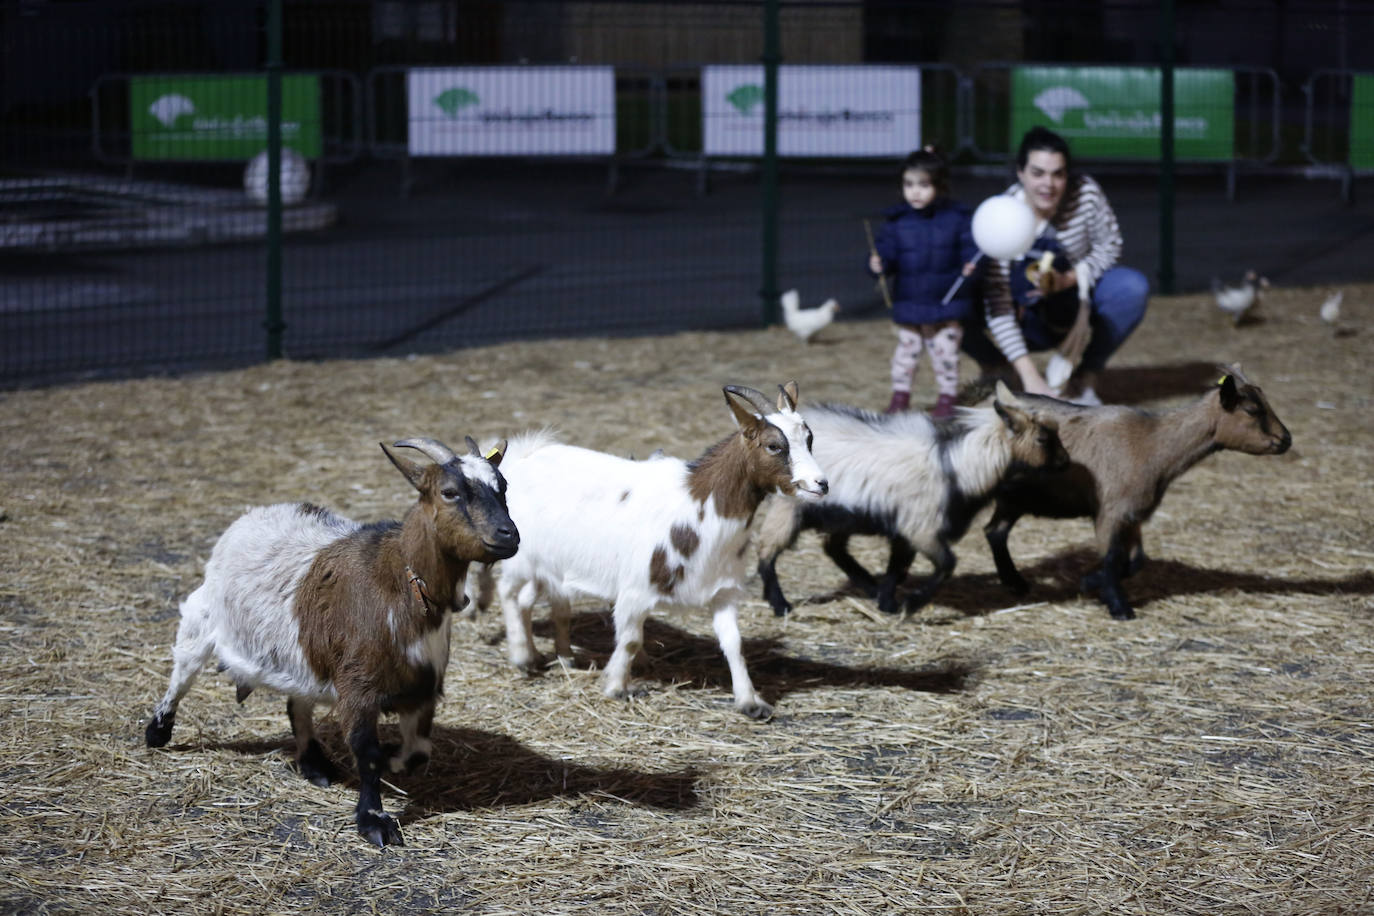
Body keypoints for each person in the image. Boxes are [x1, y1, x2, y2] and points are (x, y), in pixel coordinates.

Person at [962, 126, 1149, 404]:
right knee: (946, 297)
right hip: (1023, 317)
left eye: (1057, 174)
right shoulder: (1003, 214)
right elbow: (997, 302)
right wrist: (1029, 376)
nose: (1047, 185)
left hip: (1074, 303)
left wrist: (1069, 279)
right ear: (1020, 172)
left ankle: (1083, 378)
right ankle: (1000, 368)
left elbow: (1110, 246)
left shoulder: (1085, 193)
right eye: (1037, 173)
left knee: (1131, 287)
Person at [868, 148, 980, 417]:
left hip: (946, 303)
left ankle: (947, 398)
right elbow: (887, 254)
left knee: (946, 354)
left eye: (923, 184)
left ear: (939, 186)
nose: (915, 191)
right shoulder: (897, 222)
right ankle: (900, 396)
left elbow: (972, 248)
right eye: (909, 184)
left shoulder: (957, 218)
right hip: (911, 302)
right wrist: (877, 264)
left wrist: (972, 266)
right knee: (905, 354)